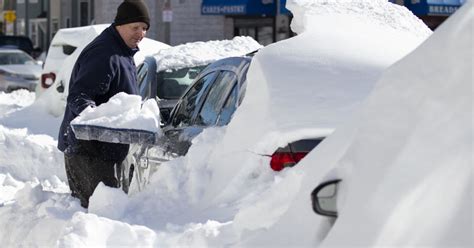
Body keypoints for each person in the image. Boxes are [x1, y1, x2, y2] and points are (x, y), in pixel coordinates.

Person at [57, 0, 150, 208]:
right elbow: (79, 96)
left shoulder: (122, 51)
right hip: (90, 152)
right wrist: (96, 121)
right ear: (120, 24)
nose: (141, 33)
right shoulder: (105, 53)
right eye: (135, 27)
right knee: (98, 219)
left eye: (144, 28)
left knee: (110, 218)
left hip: (107, 150)